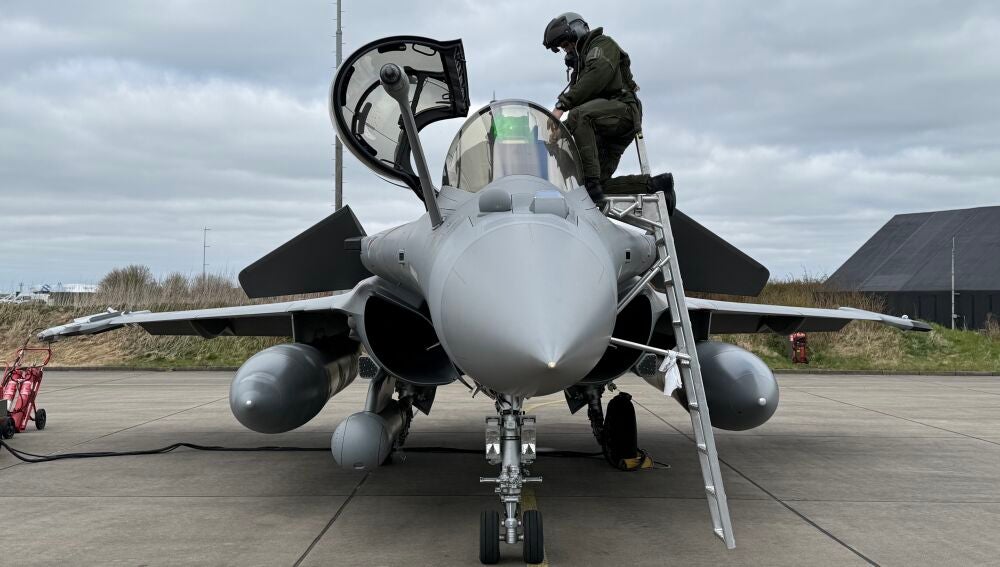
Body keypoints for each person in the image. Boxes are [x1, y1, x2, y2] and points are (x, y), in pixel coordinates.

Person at [543, 12, 674, 211]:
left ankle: (592, 185)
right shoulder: (581, 68)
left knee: (579, 115)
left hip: (623, 111)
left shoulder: (603, 45)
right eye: (563, 48)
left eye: (567, 44)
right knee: (594, 187)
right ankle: (658, 185)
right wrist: (561, 131)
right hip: (602, 127)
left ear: (577, 31)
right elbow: (583, 109)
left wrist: (561, 107)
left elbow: (596, 78)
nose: (567, 50)